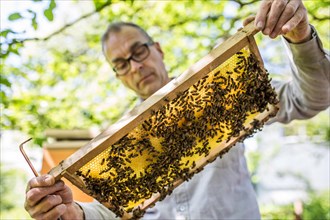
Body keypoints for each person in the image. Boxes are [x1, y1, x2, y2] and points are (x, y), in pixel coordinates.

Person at [24, 0, 329, 219]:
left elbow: (313, 97)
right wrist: (72, 213)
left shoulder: (219, 94)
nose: (136, 65)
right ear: (118, 75)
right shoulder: (120, 141)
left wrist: (300, 36)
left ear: (158, 49)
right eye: (121, 63)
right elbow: (114, 210)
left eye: (139, 51)